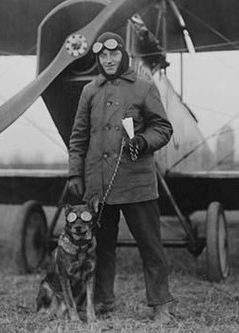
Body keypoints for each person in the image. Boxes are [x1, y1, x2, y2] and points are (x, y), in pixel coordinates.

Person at [67, 31, 174, 323]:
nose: (109, 60)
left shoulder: (143, 87)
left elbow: (163, 128)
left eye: (114, 54)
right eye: (103, 55)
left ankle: (161, 304)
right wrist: (75, 173)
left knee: (150, 244)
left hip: (136, 182)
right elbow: (78, 137)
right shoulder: (89, 91)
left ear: (123, 55)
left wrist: (142, 141)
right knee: (101, 246)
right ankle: (103, 300)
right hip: (98, 184)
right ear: (98, 58)